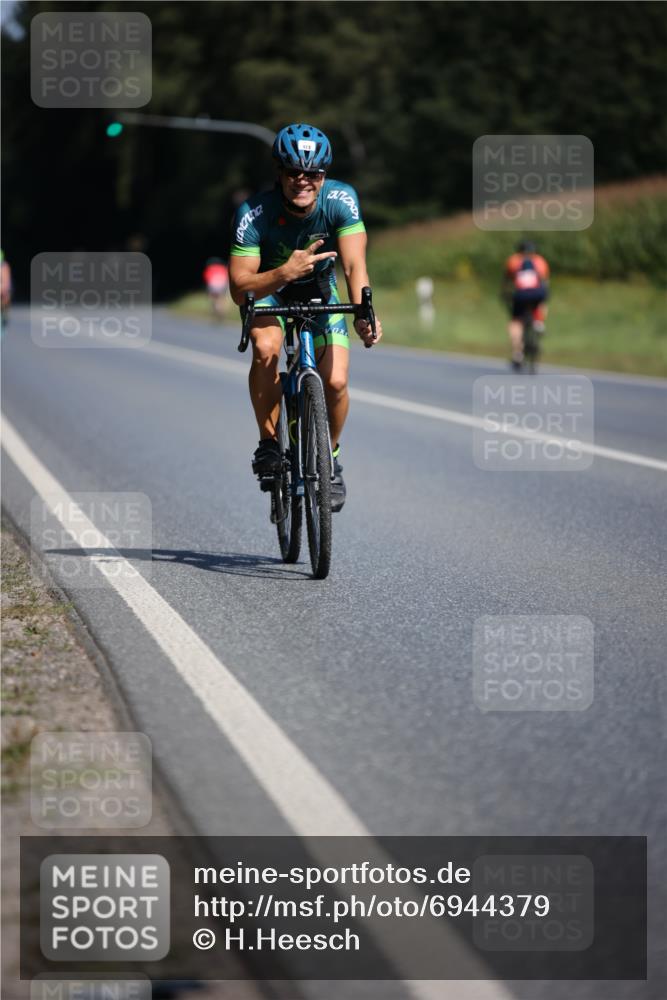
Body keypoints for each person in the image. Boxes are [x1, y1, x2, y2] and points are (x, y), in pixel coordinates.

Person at [229, 123, 383, 512]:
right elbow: (239, 288)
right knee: (266, 350)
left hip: (319, 293)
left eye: (312, 173)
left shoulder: (342, 199)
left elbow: (354, 264)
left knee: (335, 380)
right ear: (279, 173)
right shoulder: (254, 212)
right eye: (294, 172)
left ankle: (329, 459)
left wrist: (365, 312)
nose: (303, 181)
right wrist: (284, 272)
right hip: (269, 291)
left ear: (323, 175)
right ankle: (268, 446)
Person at [503, 240, 550, 371]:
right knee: (542, 300)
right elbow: (545, 282)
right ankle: (539, 323)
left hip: (521, 296)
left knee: (515, 322)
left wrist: (505, 295)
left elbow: (507, 282)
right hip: (538, 295)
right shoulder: (540, 261)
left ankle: (517, 354)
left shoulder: (513, 260)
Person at [1, 249, 12, 328]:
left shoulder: (4, 266)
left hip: (3, 290)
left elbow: (6, 282)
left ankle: (5, 313)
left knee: (6, 296)